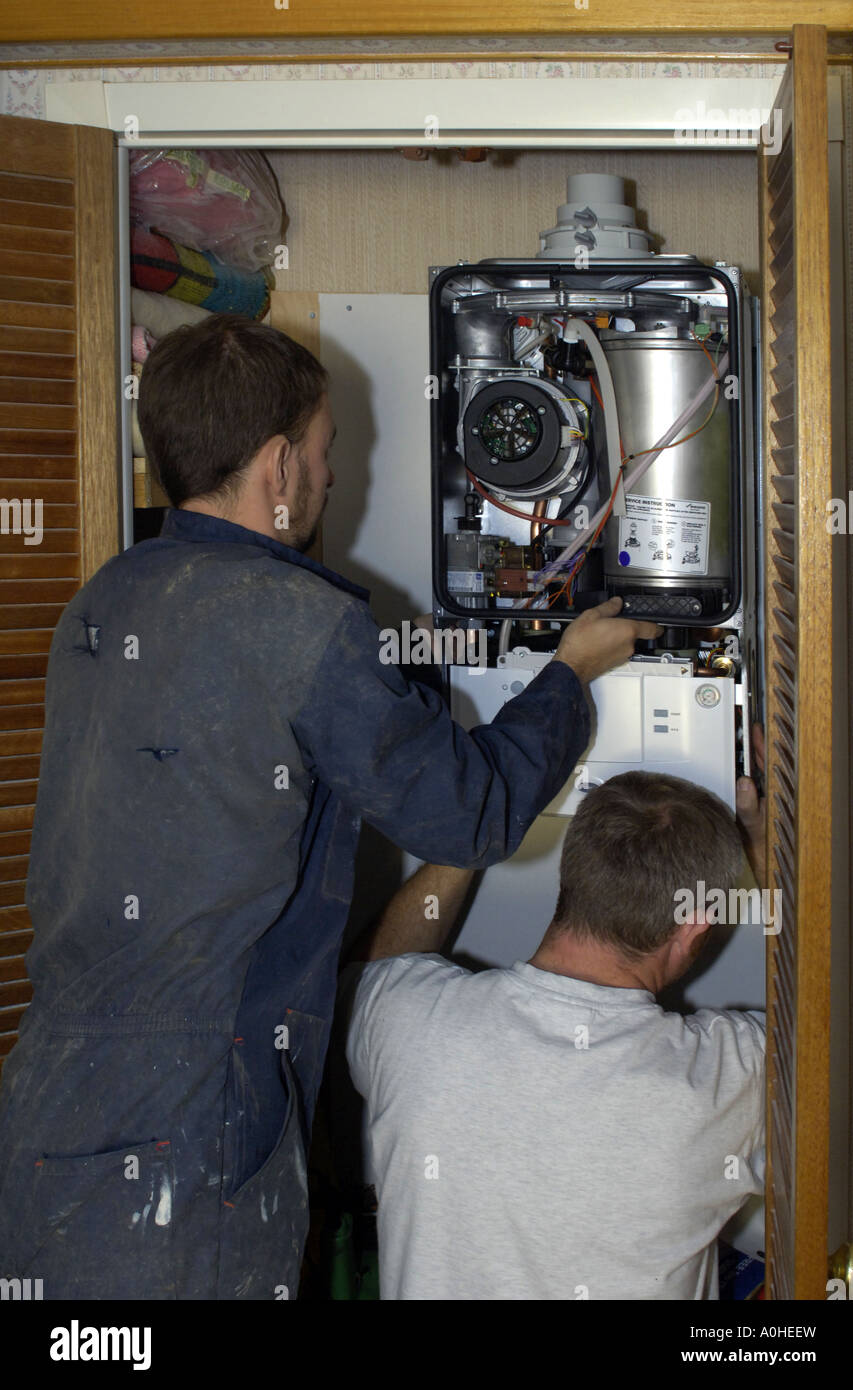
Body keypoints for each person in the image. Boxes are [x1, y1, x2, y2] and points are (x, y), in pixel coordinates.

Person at [0, 314, 659, 1300]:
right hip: (185, 1129)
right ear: (276, 465)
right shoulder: (300, 622)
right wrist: (567, 673)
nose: (331, 477)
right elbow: (466, 814)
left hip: (49, 1100)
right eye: (323, 452)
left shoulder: (106, 597)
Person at [343, 768, 766, 1300]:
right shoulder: (734, 1076)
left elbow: (368, 971)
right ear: (694, 927)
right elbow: (828, 1036)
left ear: (571, 877)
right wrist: (780, 877)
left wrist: (481, 828)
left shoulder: (408, 1017)